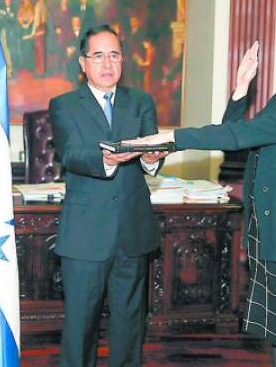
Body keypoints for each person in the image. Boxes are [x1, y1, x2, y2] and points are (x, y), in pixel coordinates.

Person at [131, 9, 276, 367]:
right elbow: (233, 136)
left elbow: (245, 133)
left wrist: (173, 137)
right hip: (268, 234)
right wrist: (240, 89)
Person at [49, 25, 168, 367]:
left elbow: (151, 150)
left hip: (132, 229)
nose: (107, 63)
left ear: (122, 61)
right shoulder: (64, 105)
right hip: (86, 232)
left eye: (114, 55)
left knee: (130, 324)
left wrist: (150, 159)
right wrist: (105, 158)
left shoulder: (141, 102)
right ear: (83, 63)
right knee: (81, 325)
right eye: (98, 55)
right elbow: (71, 153)